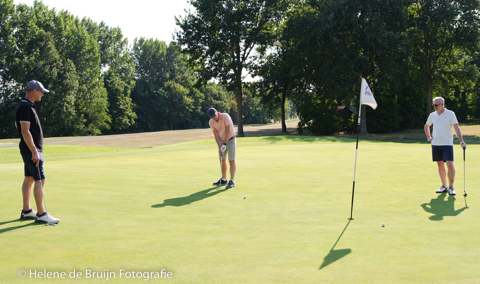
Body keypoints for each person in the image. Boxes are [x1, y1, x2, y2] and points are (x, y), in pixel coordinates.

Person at [15, 80, 60, 224]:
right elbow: (24, 131)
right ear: (34, 91)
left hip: (29, 150)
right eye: (41, 91)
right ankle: (41, 214)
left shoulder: (26, 106)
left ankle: (27, 211)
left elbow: (18, 124)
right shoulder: (26, 107)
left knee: (29, 179)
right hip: (32, 151)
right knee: (40, 180)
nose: (42, 94)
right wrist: (34, 151)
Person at [424, 97, 466, 196]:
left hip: (447, 144)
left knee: (450, 164)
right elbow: (426, 126)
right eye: (433, 105)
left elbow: (456, 127)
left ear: (442, 104)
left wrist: (461, 141)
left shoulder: (450, 114)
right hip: (436, 144)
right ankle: (444, 186)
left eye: (436, 105)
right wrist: (429, 137)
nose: (434, 107)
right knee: (440, 165)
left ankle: (451, 187)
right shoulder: (432, 115)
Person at [208, 108, 236, 189]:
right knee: (222, 160)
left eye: (215, 116)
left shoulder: (225, 116)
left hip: (230, 139)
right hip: (221, 141)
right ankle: (224, 179)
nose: (214, 118)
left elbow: (228, 131)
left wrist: (225, 144)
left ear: (217, 112)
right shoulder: (211, 122)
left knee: (231, 160)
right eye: (212, 117)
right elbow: (216, 136)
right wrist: (220, 147)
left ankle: (232, 181)